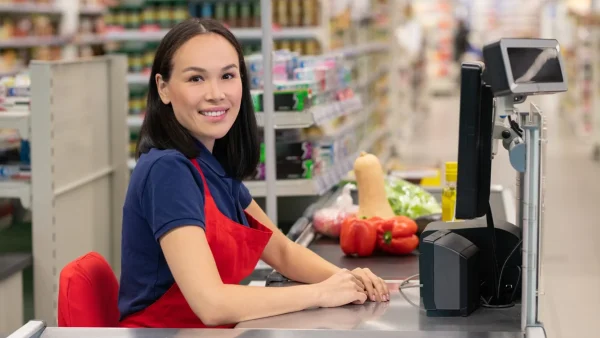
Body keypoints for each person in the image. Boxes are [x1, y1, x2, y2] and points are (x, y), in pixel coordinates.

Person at [118, 18, 389, 329]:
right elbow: (211, 304)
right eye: (196, 79)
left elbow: (283, 252)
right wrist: (320, 293)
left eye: (228, 76)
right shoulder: (167, 171)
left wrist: (347, 279)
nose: (216, 93)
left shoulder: (210, 164)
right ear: (163, 88)